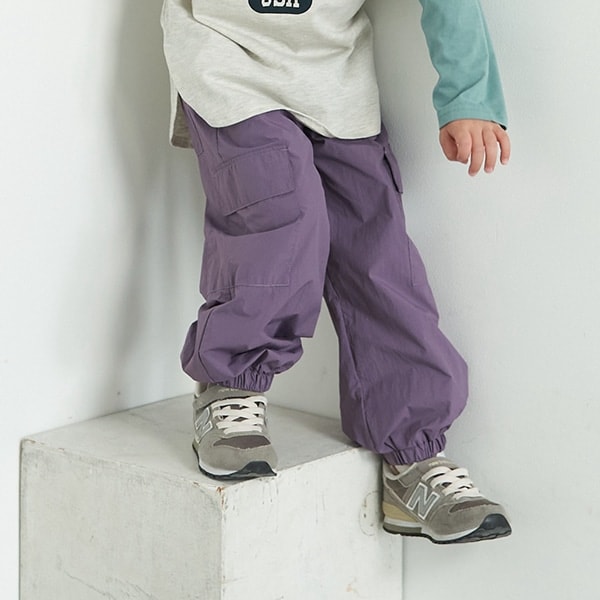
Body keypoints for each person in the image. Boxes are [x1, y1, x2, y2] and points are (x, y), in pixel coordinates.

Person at [160, 0, 512, 544]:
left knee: (379, 258)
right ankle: (229, 387)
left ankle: (412, 458)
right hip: (228, 57)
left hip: (334, 77)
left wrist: (468, 96)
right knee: (281, 214)